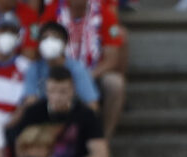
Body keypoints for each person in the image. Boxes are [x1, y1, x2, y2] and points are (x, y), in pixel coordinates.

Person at [39, 0, 126, 138]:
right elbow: (42, 43)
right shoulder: (53, 10)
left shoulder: (104, 14)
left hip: (93, 72)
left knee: (115, 84)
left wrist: (85, 76)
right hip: (59, 70)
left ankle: (103, 139)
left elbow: (112, 59)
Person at [21, 21, 100, 110]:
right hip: (42, 117)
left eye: (55, 37)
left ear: (65, 43)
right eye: (44, 38)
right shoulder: (34, 68)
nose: (49, 42)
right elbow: (29, 102)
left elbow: (92, 105)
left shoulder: (77, 69)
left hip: (71, 116)